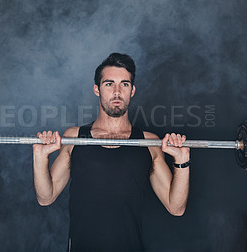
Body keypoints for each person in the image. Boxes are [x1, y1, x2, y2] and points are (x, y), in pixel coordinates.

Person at [32, 53, 190, 251]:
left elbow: (176, 207)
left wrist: (182, 162)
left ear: (132, 91)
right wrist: (40, 157)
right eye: (109, 84)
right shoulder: (74, 138)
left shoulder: (149, 143)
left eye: (124, 84)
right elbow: (46, 197)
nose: (117, 91)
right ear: (97, 89)